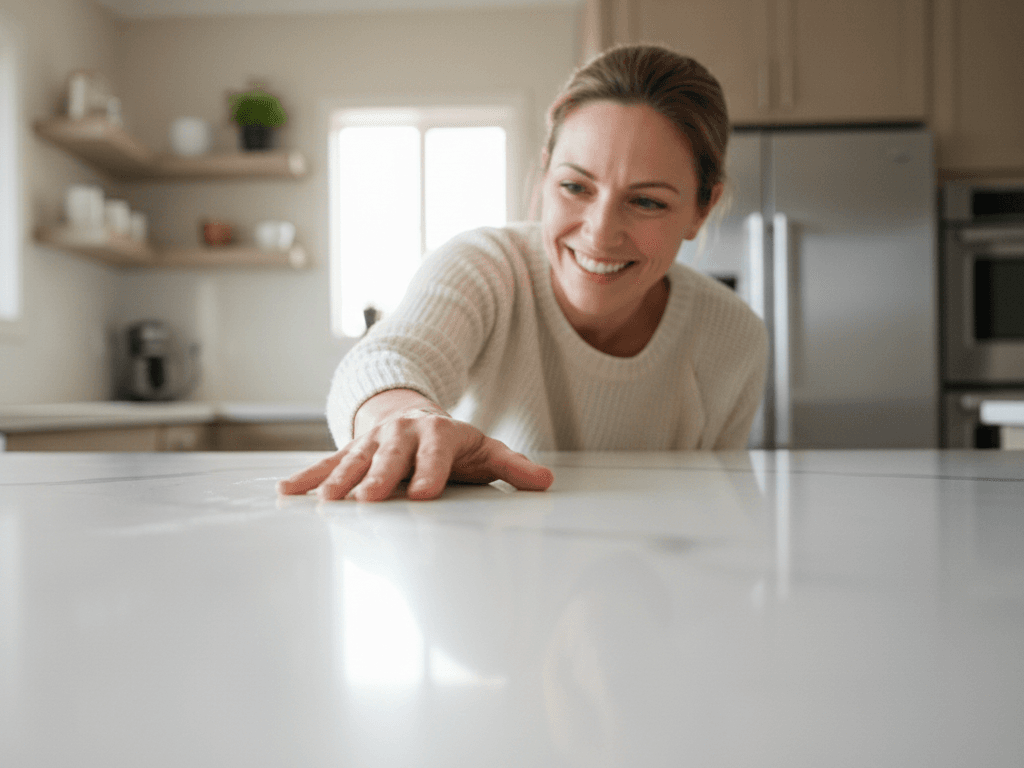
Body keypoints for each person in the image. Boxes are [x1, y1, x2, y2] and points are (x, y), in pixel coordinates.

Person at [279, 44, 768, 503]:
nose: (600, 234)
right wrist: (408, 418)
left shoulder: (733, 337)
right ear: (543, 176)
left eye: (646, 201)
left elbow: (716, 507)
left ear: (701, 210)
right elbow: (387, 357)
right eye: (575, 186)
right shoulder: (488, 267)